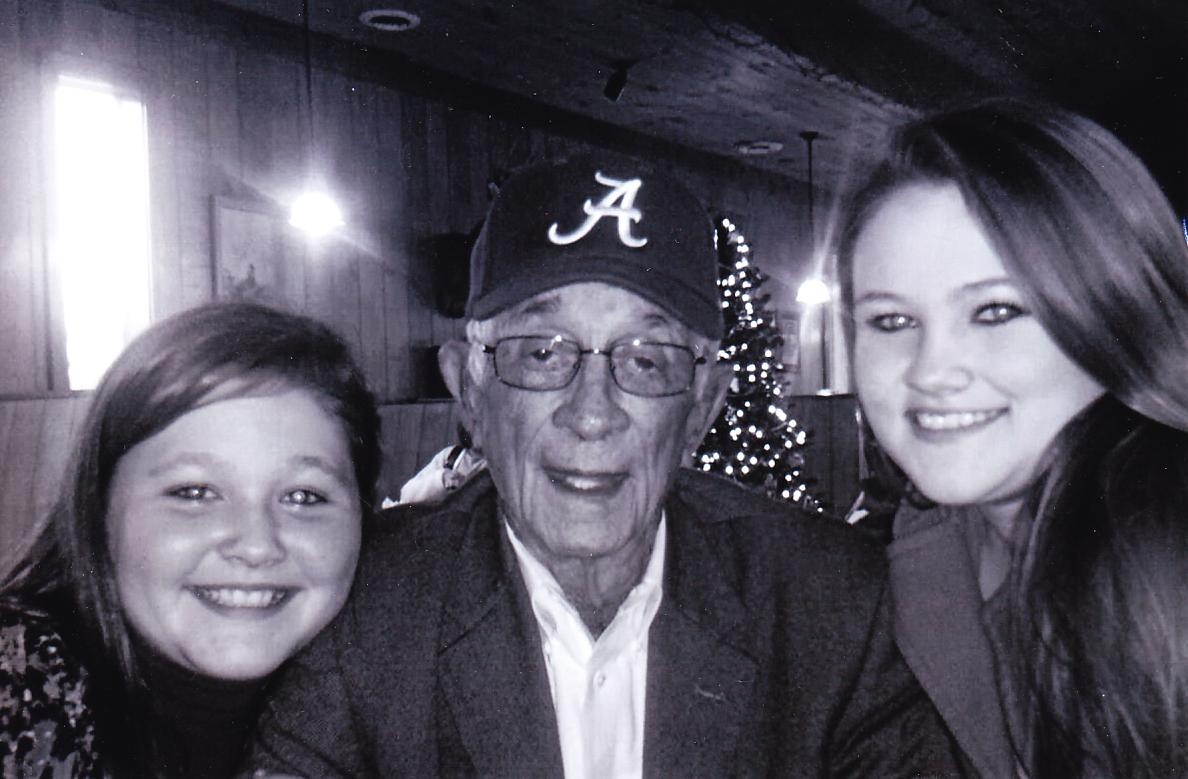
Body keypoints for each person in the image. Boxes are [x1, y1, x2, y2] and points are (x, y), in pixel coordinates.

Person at [249, 153, 962, 778]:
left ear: (702, 407)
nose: (592, 413)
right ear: (470, 391)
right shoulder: (363, 612)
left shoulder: (832, 606)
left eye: (647, 361)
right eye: (541, 353)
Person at [837, 99, 1188, 777]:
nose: (931, 371)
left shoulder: (1165, 567)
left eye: (995, 311)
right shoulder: (934, 545)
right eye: (890, 321)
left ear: (1114, 315)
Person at [0, 301, 381, 778]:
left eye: (303, 496)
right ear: (98, 506)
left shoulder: (380, 693)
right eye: (195, 493)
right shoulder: (22, 683)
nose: (257, 545)